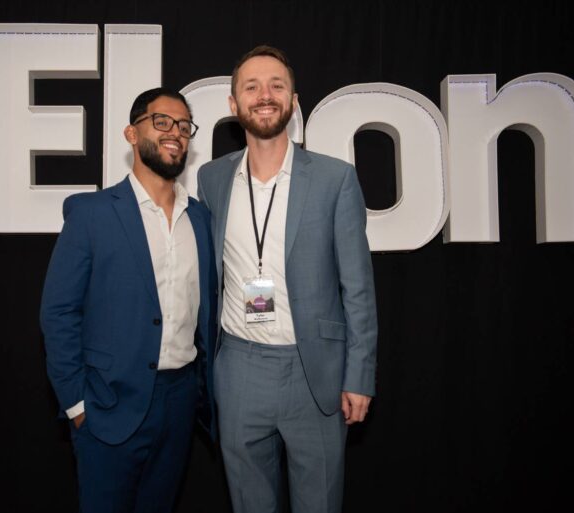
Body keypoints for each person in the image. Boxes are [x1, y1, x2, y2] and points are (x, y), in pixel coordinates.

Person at [197, 46, 377, 513]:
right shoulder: (211, 179)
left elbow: (358, 288)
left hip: (315, 372)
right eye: (251, 87)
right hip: (238, 370)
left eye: (276, 86)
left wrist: (359, 375)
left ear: (294, 101)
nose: (265, 95)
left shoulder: (335, 179)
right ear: (233, 104)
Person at [40, 87, 216, 513]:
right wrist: (77, 404)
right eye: (161, 121)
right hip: (108, 405)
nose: (175, 132)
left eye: (184, 126)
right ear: (131, 134)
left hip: (180, 404)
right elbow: (59, 312)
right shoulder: (92, 213)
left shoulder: (200, 218)